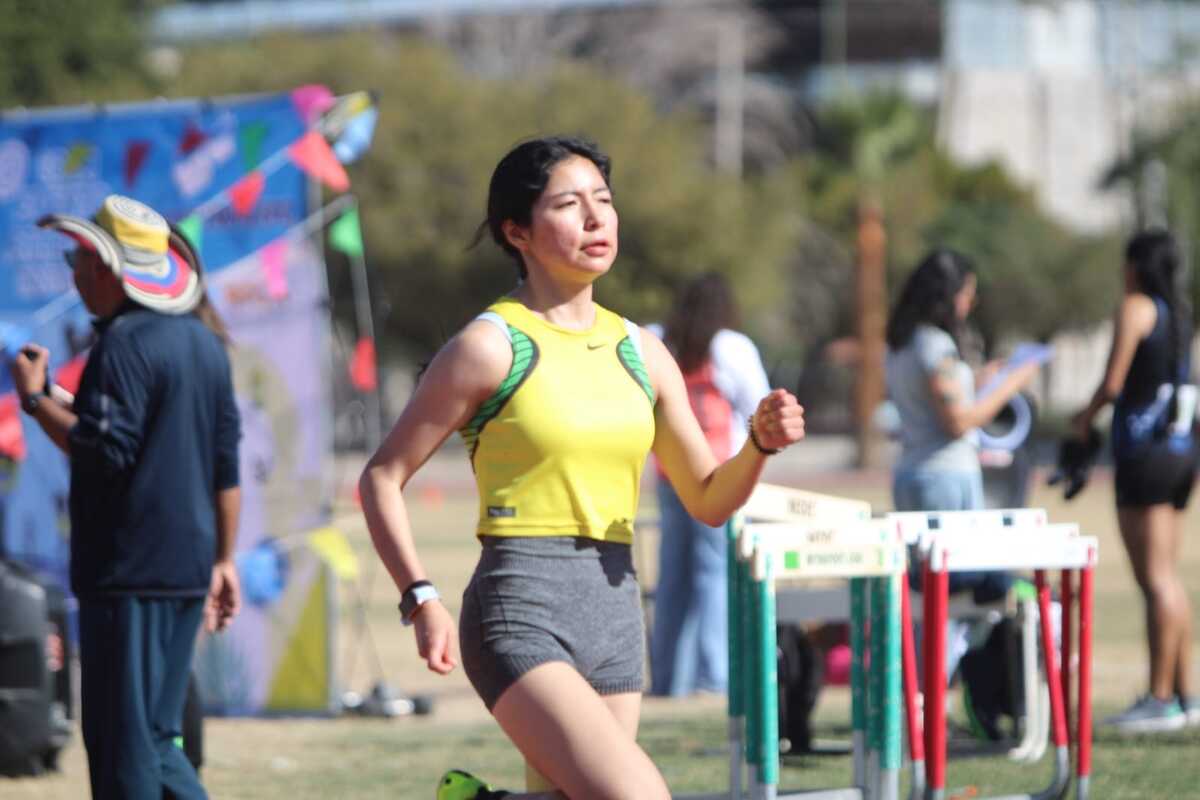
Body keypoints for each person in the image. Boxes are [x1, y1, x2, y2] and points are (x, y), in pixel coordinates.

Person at [358, 135, 805, 800]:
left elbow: (708, 500)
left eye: (604, 201)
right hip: (519, 604)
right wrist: (419, 595)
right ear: (519, 232)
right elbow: (381, 477)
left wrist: (758, 448)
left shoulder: (642, 352)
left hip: (615, 608)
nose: (596, 219)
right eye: (570, 205)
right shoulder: (488, 345)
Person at [8, 195, 242, 799]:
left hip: (128, 574)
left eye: (76, 258)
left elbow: (102, 452)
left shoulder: (123, 346)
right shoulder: (203, 346)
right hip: (184, 570)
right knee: (160, 743)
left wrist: (35, 401)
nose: (72, 271)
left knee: (124, 752)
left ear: (107, 269)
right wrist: (224, 559)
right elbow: (225, 468)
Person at [884, 249, 1038, 685]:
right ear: (948, 294)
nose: (968, 304)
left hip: (913, 472)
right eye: (966, 294)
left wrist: (982, 377)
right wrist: (1011, 384)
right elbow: (958, 420)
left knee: (928, 600)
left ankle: (922, 696)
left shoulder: (902, 341)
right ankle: (934, 695)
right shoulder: (936, 345)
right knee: (956, 596)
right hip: (946, 478)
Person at [1072, 229, 1198, 732]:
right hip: (1181, 452)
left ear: (1135, 266)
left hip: (1143, 456)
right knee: (1168, 577)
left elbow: (1113, 383)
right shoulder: (1179, 315)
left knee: (1154, 580)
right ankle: (1184, 696)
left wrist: (1083, 420)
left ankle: (1159, 698)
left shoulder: (1136, 307)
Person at [646, 272, 770, 697]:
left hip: (668, 474)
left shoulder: (656, 339)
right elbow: (759, 407)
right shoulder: (731, 346)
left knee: (673, 579)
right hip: (720, 475)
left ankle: (666, 680)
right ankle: (712, 677)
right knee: (713, 576)